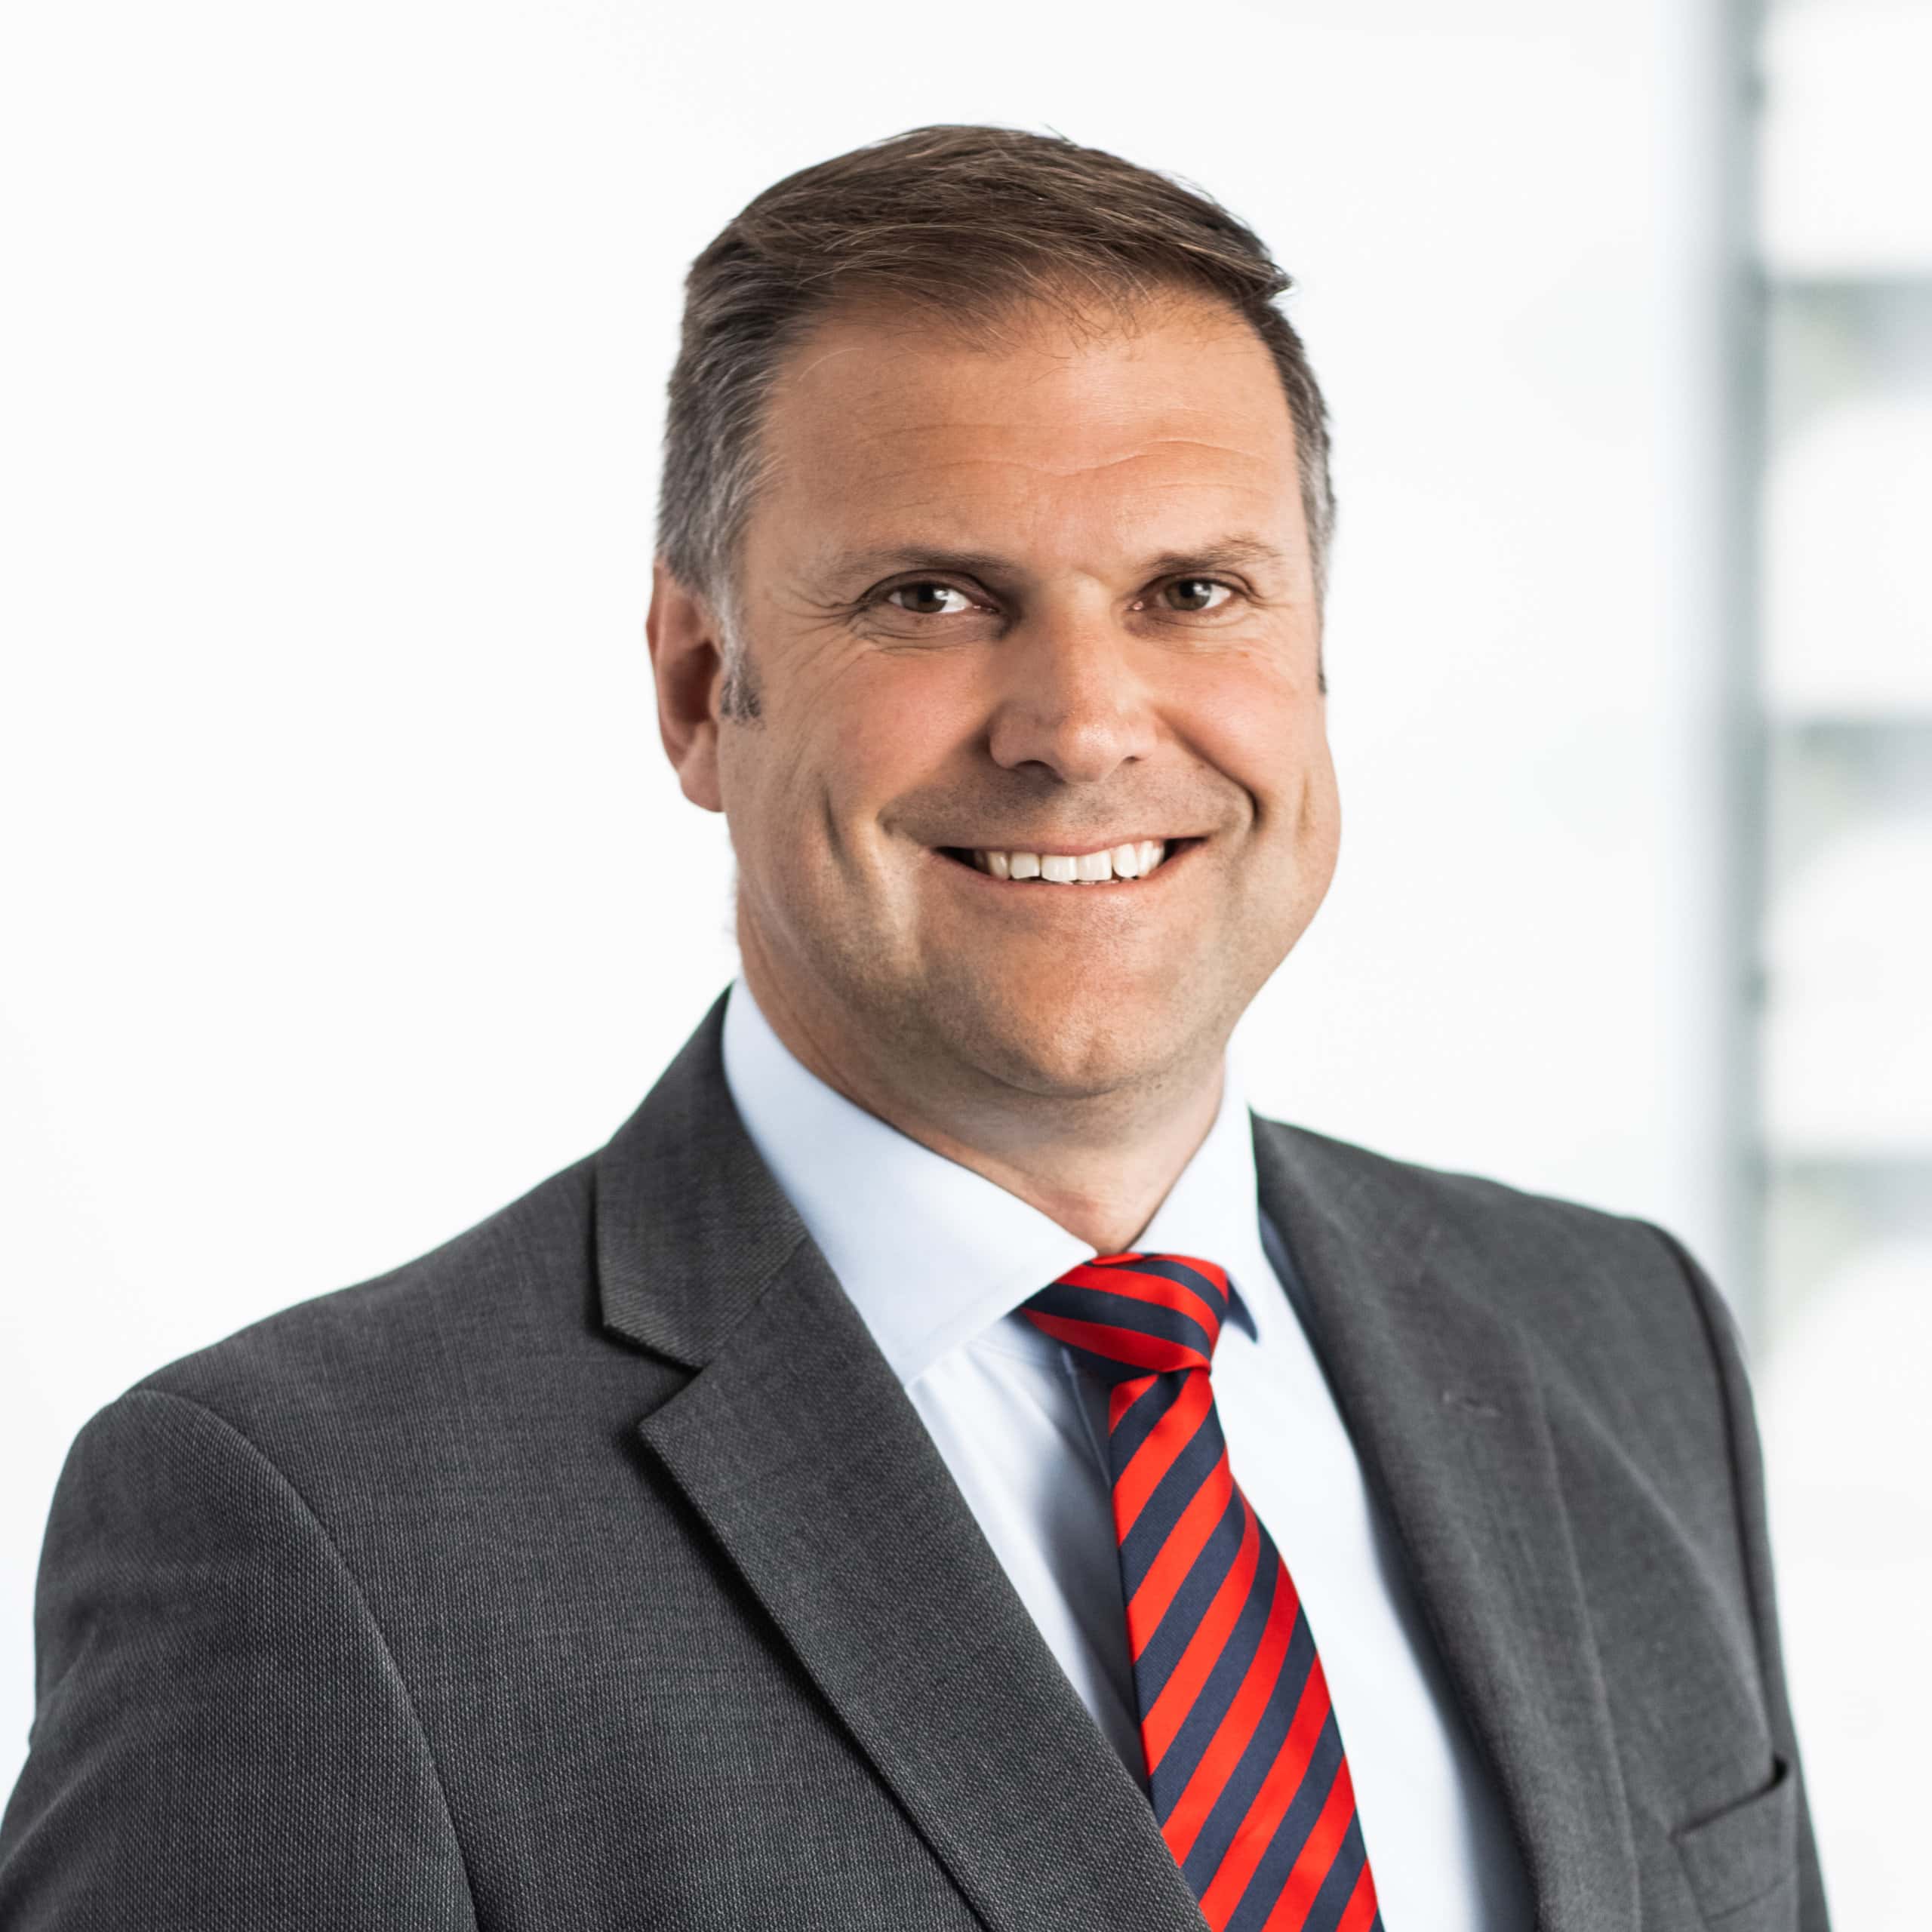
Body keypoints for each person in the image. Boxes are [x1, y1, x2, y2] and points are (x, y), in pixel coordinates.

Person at [0, 124, 1826, 1932]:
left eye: (1191, 593)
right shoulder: (316, 1523)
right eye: (931, 598)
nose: (1081, 726)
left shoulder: (1613, 1337)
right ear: (701, 686)